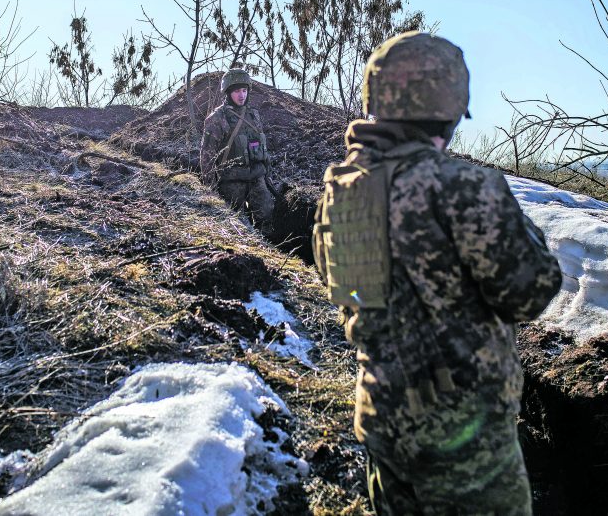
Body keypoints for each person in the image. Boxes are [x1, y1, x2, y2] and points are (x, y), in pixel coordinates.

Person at [312, 31, 562, 515]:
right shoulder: (462, 186)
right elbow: (533, 291)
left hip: (382, 418)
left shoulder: (341, 190)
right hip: (464, 443)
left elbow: (347, 292)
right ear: (447, 109)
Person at [200, 68, 275, 232]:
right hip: (232, 182)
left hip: (257, 178)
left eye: (244, 90)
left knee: (267, 218)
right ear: (227, 93)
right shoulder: (217, 118)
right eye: (236, 91)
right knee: (238, 227)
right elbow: (207, 157)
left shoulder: (254, 115)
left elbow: (262, 147)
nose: (241, 95)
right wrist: (210, 190)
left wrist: (268, 176)